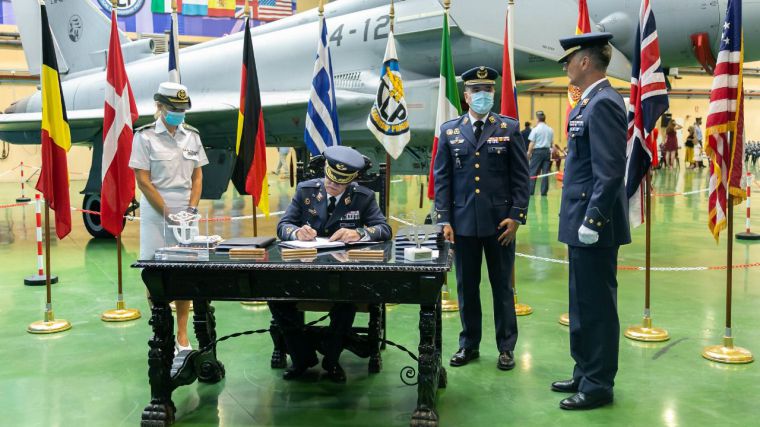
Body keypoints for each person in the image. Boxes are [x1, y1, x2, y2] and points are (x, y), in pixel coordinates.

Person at [433, 66, 530, 372]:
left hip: (500, 224)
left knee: (503, 287)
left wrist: (516, 217)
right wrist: (444, 220)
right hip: (462, 225)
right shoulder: (450, 131)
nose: (483, 96)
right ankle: (469, 344)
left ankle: (506, 347)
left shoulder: (508, 128)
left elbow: (521, 178)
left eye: (488, 91)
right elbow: (442, 180)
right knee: (467, 286)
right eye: (477, 91)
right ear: (466, 96)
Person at [553, 33, 631, 410]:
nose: (565, 66)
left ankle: (599, 383)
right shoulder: (586, 103)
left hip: (593, 224)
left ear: (585, 61)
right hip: (579, 220)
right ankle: (584, 370)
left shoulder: (604, 103)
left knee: (597, 306)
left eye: (569, 60)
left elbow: (611, 170)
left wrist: (595, 219)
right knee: (581, 302)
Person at [270, 145, 391, 383]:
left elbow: (384, 229)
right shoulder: (306, 191)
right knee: (276, 298)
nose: (331, 184)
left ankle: (332, 358)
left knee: (346, 303)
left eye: (339, 182)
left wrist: (359, 233)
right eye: (329, 178)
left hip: (343, 272)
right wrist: (296, 233)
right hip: (305, 269)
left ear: (353, 179)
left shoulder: (363, 197)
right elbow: (283, 226)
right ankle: (302, 356)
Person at [129, 82, 208, 354]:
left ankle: (182, 336)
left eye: (183, 110)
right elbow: (143, 180)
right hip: (156, 211)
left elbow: (198, 175)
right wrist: (167, 213)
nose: (179, 114)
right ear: (160, 107)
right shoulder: (145, 137)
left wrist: (191, 209)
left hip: (186, 211)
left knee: (184, 272)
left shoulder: (192, 136)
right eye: (174, 109)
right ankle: (161, 327)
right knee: (154, 271)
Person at [528, 111, 555, 196]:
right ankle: (544, 192)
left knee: (533, 172)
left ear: (537, 119)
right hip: (547, 152)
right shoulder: (550, 129)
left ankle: (531, 191)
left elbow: (532, 143)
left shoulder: (535, 129)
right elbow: (552, 143)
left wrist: (529, 153)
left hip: (537, 152)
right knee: (545, 173)